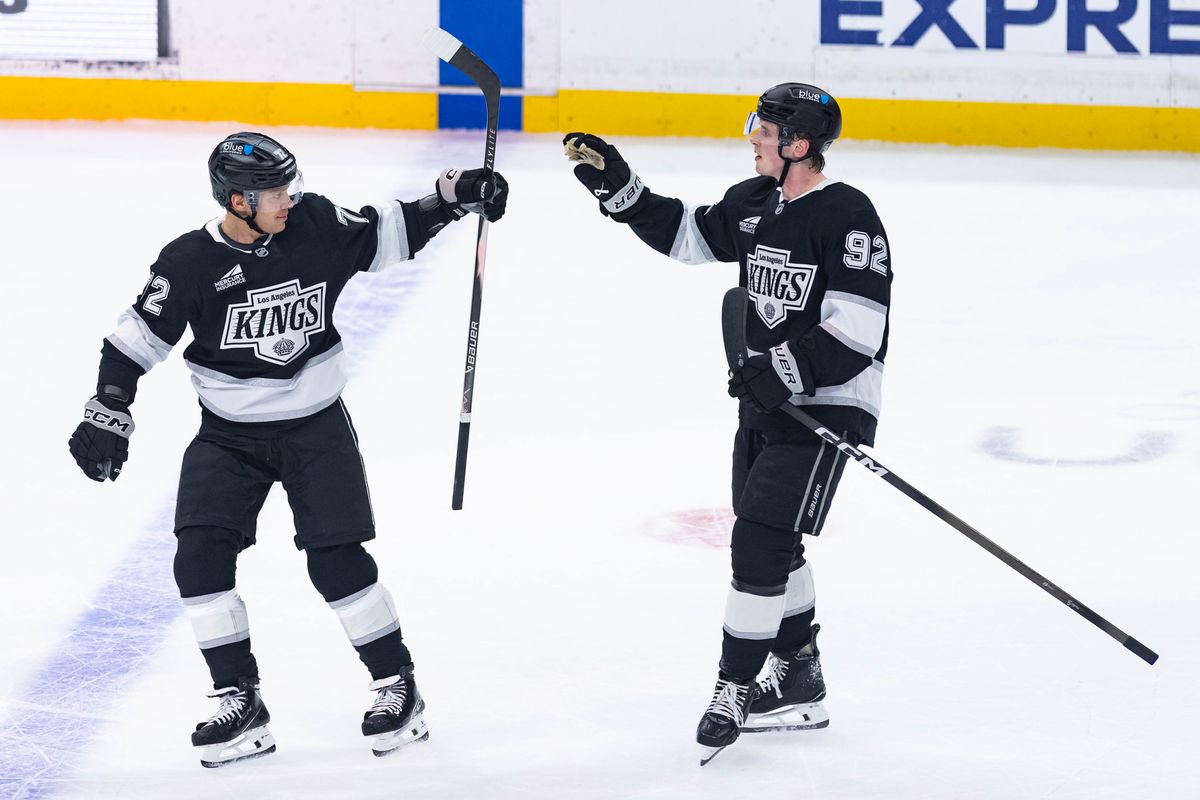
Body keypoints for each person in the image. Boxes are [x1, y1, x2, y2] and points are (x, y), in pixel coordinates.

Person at [67, 132, 508, 766]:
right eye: (275, 192)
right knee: (198, 558)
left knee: (336, 561)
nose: (289, 199)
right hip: (228, 436)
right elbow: (133, 342)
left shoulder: (314, 224)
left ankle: (397, 686)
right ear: (237, 201)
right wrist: (109, 408)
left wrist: (454, 198)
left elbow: (388, 233)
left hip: (315, 429)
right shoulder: (188, 262)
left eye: (290, 186)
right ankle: (239, 698)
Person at [563, 83, 891, 762]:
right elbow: (689, 235)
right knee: (776, 543)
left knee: (757, 542)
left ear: (798, 144)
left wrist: (783, 370)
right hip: (767, 402)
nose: (753, 139)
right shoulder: (756, 202)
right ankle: (799, 676)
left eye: (764, 130)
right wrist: (620, 188)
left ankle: (733, 687)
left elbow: (859, 329)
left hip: (828, 405)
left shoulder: (848, 214)